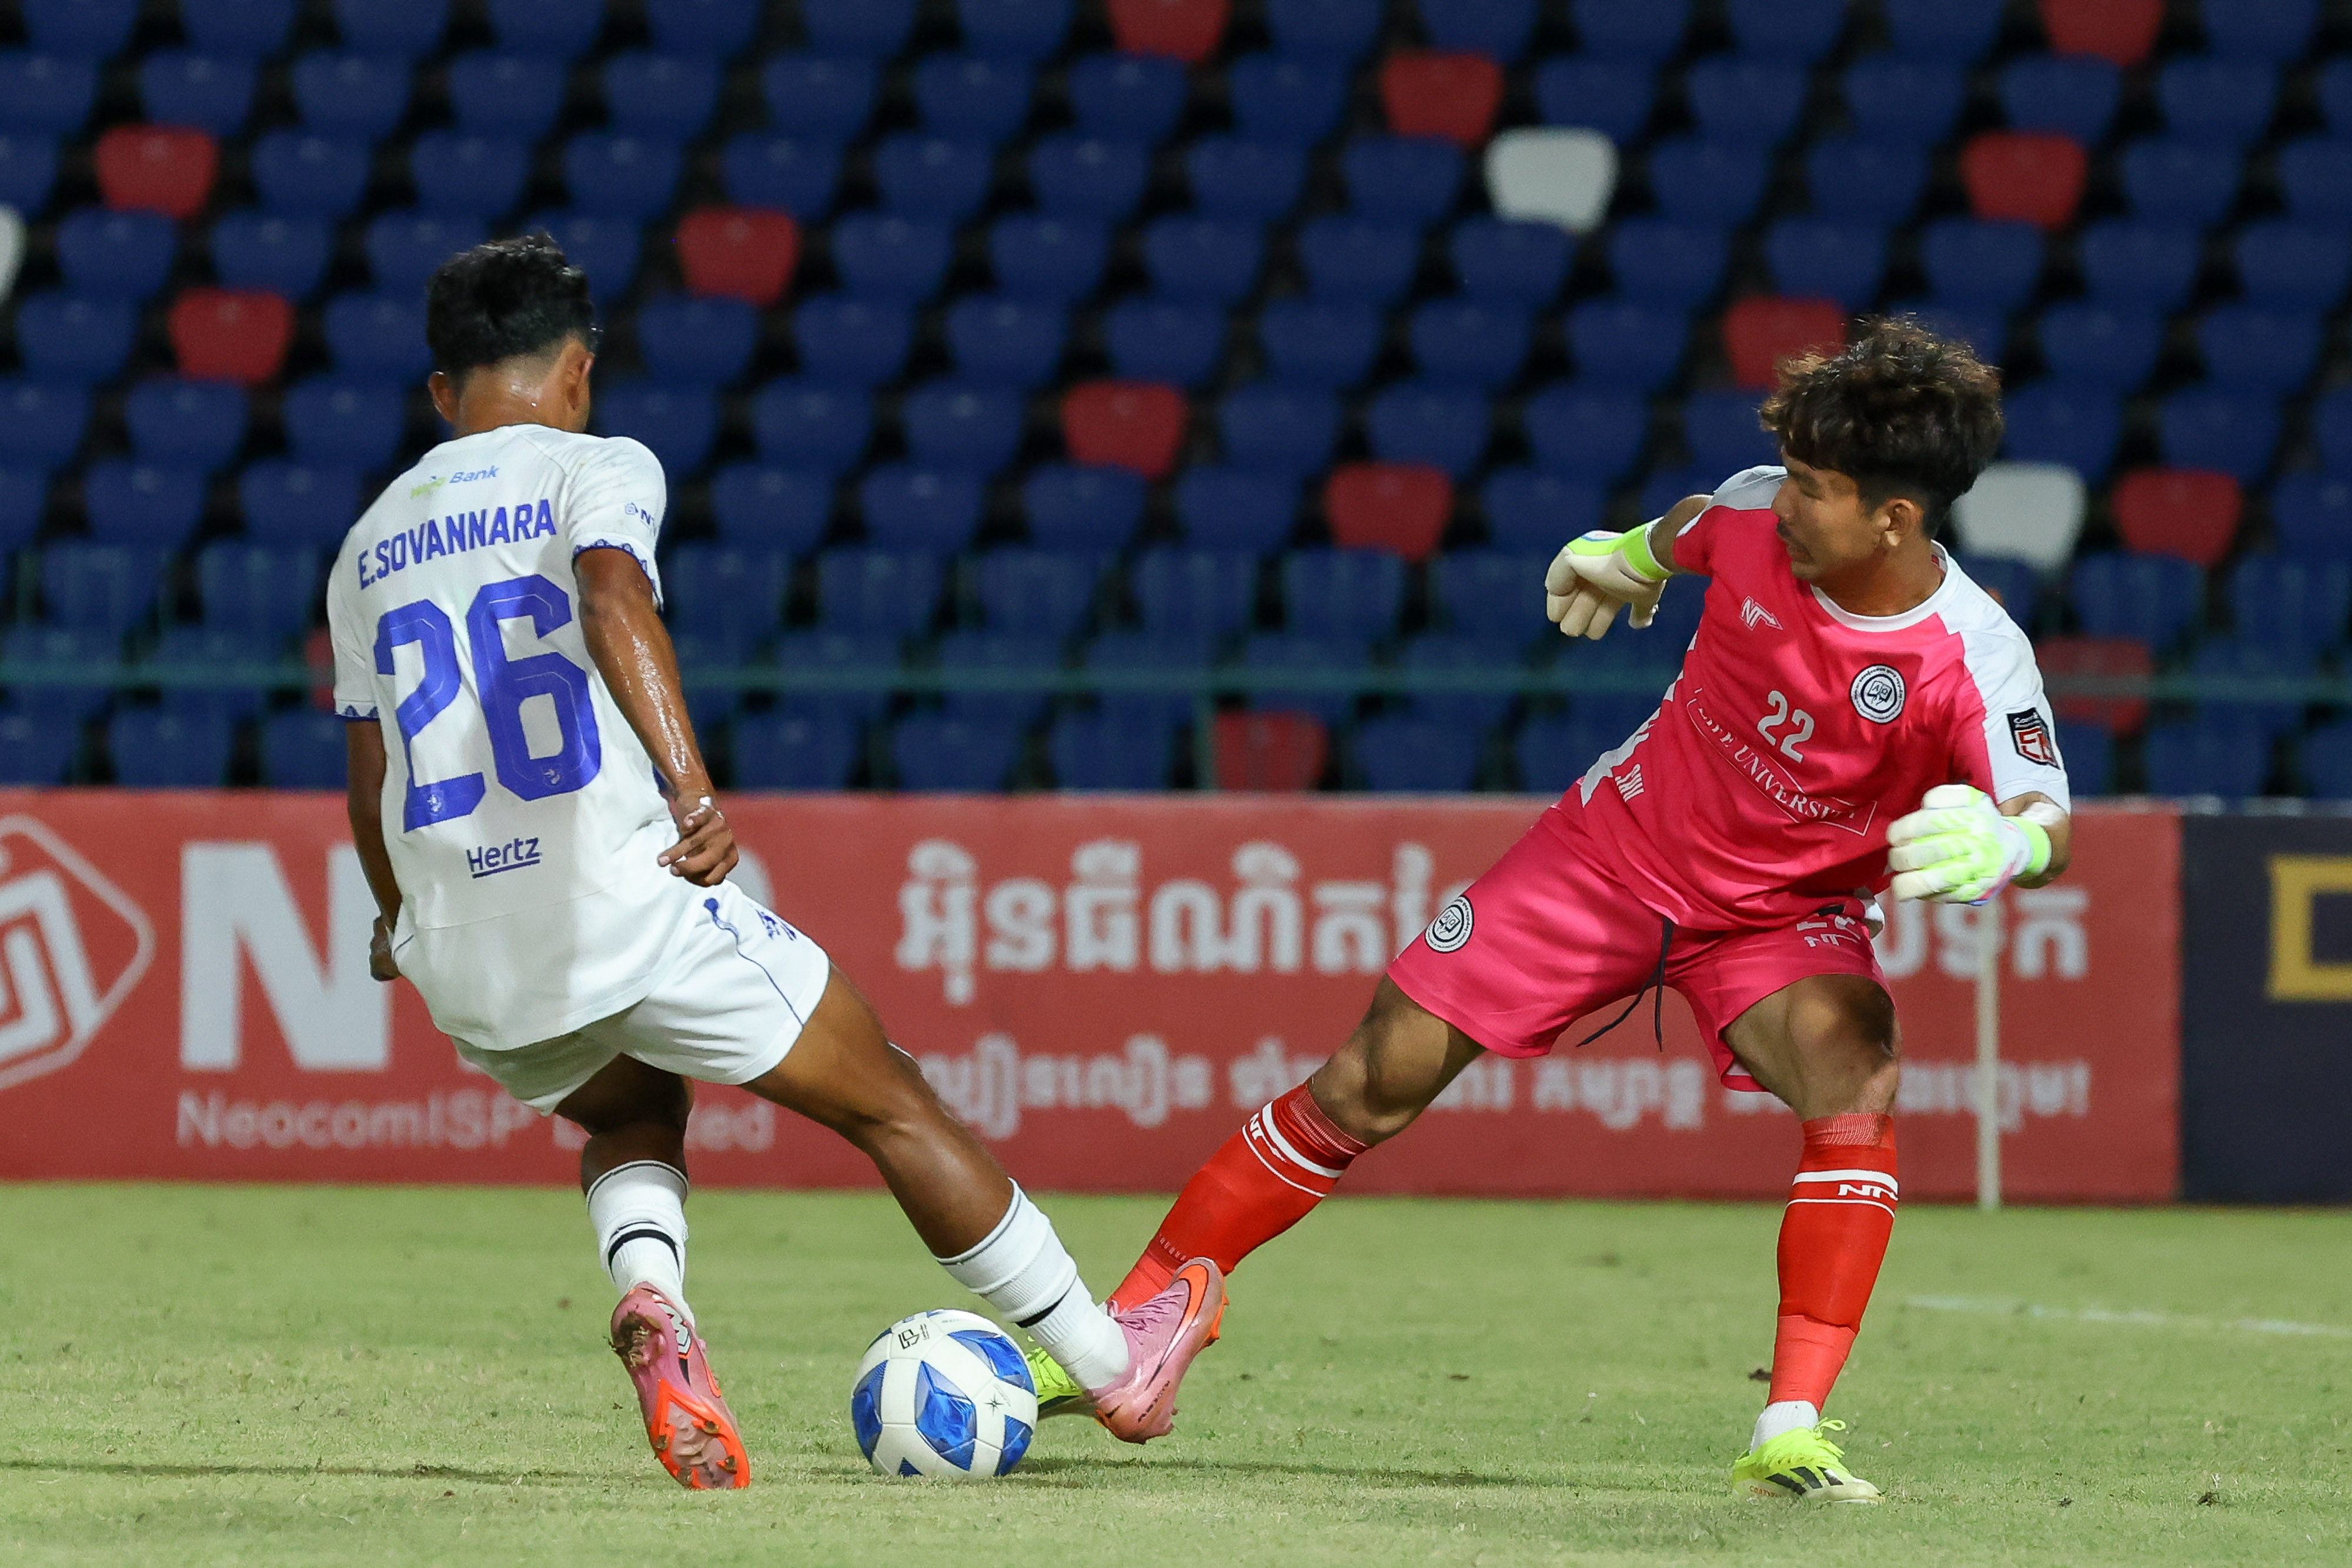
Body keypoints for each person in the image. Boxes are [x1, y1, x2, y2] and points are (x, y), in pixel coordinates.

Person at [1027, 322, 2073, 1504]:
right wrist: (1625, 556)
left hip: (1783, 914)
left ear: (1894, 517)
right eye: (1787, 472)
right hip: (1608, 857)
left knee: (1857, 1078)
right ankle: (1124, 1330)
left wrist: (2014, 841)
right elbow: (1694, 523)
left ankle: (1789, 1426)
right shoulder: (1754, 513)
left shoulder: (1972, 656)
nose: (1785, 501)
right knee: (1369, 1079)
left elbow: (2045, 811)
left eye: (1816, 489)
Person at [329, 236, 1221, 1490]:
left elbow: (369, 766)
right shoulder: (596, 464)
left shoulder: (366, 545)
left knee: (629, 1108)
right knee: (890, 1098)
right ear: (578, 371)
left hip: (465, 951)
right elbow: (611, 600)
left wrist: (394, 915)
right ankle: (1112, 1362)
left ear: (441, 390)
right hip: (617, 899)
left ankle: (652, 1296)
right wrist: (691, 786)